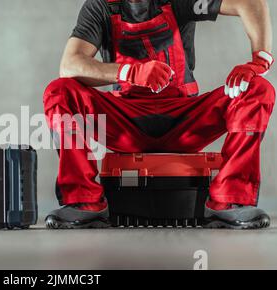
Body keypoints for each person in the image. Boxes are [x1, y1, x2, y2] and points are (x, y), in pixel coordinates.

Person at [43, 0, 275, 229]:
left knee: (257, 90)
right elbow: (70, 65)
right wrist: (130, 72)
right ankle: (82, 201)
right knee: (59, 92)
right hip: (125, 124)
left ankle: (230, 200)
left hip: (186, 123)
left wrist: (259, 61)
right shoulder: (100, 7)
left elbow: (250, 3)